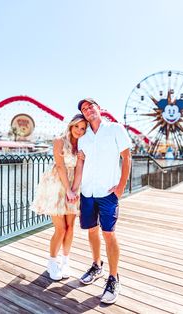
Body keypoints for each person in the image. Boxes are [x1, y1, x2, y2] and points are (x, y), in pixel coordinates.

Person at [71, 98, 131, 304]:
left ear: (100, 108)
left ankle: (114, 277)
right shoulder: (83, 137)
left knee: (109, 233)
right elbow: (79, 166)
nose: (88, 110)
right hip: (87, 192)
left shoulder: (115, 129)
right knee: (92, 230)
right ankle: (97, 265)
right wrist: (74, 189)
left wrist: (121, 186)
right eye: (84, 109)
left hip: (108, 192)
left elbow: (127, 157)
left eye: (90, 106)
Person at [31, 114, 87, 280]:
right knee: (60, 228)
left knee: (70, 226)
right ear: (71, 126)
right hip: (57, 185)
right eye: (77, 126)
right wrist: (68, 190)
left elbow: (79, 169)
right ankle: (52, 262)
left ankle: (65, 261)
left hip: (73, 185)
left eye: (83, 128)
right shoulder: (59, 141)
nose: (79, 130)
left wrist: (75, 190)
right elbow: (61, 167)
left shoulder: (83, 144)